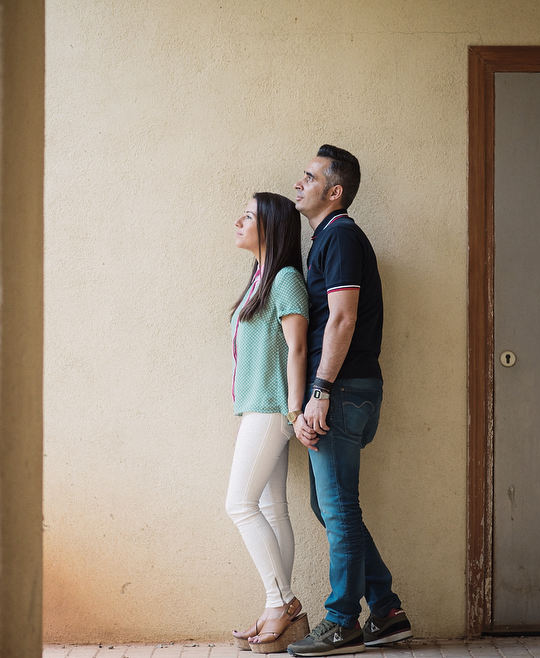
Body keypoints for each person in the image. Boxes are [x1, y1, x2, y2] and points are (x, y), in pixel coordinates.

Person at [286, 146, 413, 656]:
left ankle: (343, 622)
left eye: (309, 176)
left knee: (338, 507)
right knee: (332, 505)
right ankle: (385, 610)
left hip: (340, 392)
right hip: (347, 391)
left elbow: (342, 318)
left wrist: (319, 391)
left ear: (334, 192)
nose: (300, 183)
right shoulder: (331, 238)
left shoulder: (339, 235)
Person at [226, 192, 312, 654]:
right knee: (273, 508)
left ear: (271, 227)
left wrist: (295, 410)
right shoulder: (261, 277)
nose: (237, 221)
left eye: (248, 216)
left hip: (273, 407)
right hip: (260, 406)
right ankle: (275, 606)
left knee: (239, 504)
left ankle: (281, 602)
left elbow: (297, 348)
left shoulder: (284, 280)